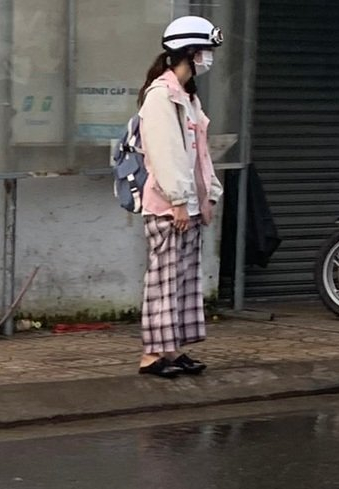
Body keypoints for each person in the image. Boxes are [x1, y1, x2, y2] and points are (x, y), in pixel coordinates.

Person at [136, 16, 224, 380]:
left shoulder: (186, 98)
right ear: (190, 52)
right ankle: (151, 355)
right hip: (168, 207)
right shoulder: (160, 97)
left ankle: (172, 350)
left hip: (187, 206)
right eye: (206, 51)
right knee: (163, 280)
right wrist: (177, 200)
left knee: (183, 281)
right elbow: (165, 152)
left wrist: (209, 196)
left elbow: (199, 154)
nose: (209, 58)